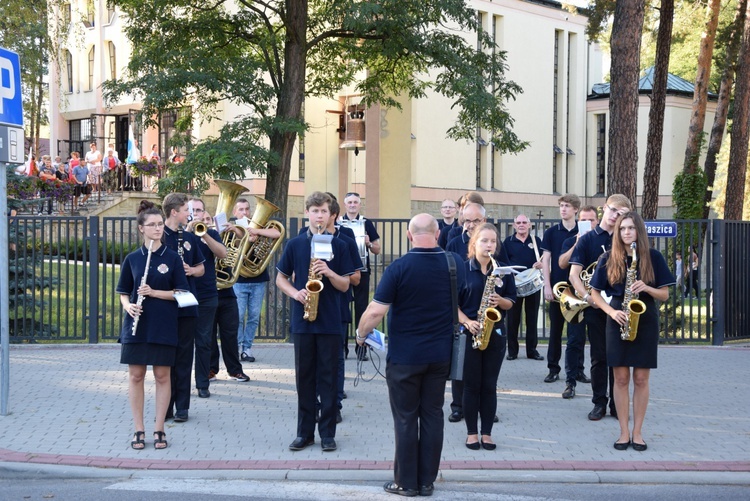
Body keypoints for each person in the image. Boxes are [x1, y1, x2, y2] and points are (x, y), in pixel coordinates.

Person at [357, 214, 466, 497]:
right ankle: (427, 481)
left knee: (406, 418)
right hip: (440, 356)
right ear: (438, 233)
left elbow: (376, 312)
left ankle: (406, 483)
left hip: (405, 357)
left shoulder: (399, 267)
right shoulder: (454, 264)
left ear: (408, 235)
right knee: (432, 414)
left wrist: (360, 335)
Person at [276, 191, 355, 452]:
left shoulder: (340, 245)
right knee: (305, 379)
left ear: (330, 214)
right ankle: (304, 433)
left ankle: (328, 434)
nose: (319, 216)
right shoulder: (295, 244)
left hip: (331, 320)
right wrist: (295, 292)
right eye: (314, 211)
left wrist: (330, 272)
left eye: (323, 211)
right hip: (303, 320)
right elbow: (281, 279)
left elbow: (345, 285)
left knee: (329, 379)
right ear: (307, 213)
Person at [589, 212, 674, 451]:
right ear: (618, 232)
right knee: (621, 378)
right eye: (623, 228)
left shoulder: (652, 257)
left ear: (639, 231)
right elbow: (595, 293)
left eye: (631, 228)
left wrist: (646, 286)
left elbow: (665, 294)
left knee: (641, 379)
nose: (627, 232)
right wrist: (610, 312)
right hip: (617, 317)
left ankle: (638, 432)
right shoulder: (608, 258)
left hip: (645, 318)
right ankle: (623, 432)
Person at [117, 201, 189, 450]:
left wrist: (155, 292)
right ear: (141, 229)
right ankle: (139, 429)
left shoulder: (171, 258)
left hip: (163, 324)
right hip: (136, 324)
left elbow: (181, 293)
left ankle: (159, 429)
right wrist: (128, 306)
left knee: (162, 376)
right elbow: (123, 291)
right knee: (136, 376)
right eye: (152, 225)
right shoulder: (133, 259)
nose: (158, 228)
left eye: (160, 224)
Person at [569, 194, 632, 421]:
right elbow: (574, 274)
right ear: (604, 208)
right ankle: (599, 403)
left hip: (619, 306)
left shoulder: (627, 238)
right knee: (598, 357)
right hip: (596, 306)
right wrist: (587, 297)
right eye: (613, 210)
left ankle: (618, 404)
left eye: (622, 214)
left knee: (619, 357)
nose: (616, 216)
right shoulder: (587, 239)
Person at [445, 202, 507, 423]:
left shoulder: (496, 249)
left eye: (476, 221)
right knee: (461, 369)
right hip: (465, 319)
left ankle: (485, 407)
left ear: (484, 220)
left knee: (485, 377)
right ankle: (458, 406)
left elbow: (506, 279)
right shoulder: (453, 242)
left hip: (490, 324)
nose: (470, 224)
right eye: (467, 220)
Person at [458, 223, 515, 451]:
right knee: (471, 386)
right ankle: (472, 433)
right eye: (484, 241)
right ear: (474, 243)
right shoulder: (463, 269)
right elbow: (452, 305)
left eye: (493, 241)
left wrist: (499, 302)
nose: (489, 245)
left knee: (489, 385)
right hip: (470, 332)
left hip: (496, 333)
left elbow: (511, 301)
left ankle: (488, 433)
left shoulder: (502, 270)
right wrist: (467, 321)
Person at [162, 193, 206, 423]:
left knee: (184, 356)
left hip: (187, 304)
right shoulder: (158, 237)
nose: (189, 213)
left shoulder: (189, 237)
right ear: (174, 212)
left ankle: (182, 407)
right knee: (166, 358)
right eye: (185, 209)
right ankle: (165, 406)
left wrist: (190, 270)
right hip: (166, 306)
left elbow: (202, 270)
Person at [188, 198, 229, 398]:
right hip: (183, 294)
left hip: (206, 295)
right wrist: (188, 232)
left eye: (200, 211)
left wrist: (204, 234)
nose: (196, 214)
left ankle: (202, 384)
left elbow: (223, 253)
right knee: (184, 342)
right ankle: (179, 383)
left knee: (204, 341)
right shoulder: (180, 235)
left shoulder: (210, 233)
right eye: (193, 210)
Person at [557, 205, 599, 399]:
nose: (587, 224)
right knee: (574, 341)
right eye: (583, 220)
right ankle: (570, 382)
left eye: (591, 220)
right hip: (577, 297)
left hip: (599, 299)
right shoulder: (570, 240)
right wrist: (577, 244)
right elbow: (562, 264)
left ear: (597, 221)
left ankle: (599, 389)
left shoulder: (604, 242)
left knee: (600, 344)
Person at [233, 198, 282, 362]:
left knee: (253, 316)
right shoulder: (233, 229)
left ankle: (247, 348)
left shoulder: (260, 226)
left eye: (247, 209)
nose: (245, 212)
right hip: (239, 280)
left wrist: (257, 232)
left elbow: (278, 232)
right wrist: (246, 239)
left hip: (258, 278)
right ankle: (237, 346)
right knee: (239, 316)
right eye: (241, 209)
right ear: (235, 212)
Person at [540, 194, 581, 383]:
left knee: (577, 333)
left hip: (578, 289)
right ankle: (553, 368)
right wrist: (547, 286)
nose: (563, 209)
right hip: (557, 288)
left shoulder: (584, 230)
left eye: (567, 206)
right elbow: (546, 261)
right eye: (561, 206)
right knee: (556, 330)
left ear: (575, 210)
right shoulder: (551, 233)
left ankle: (577, 369)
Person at [340, 191, 381, 362]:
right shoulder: (337, 223)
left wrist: (369, 243)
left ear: (359, 204)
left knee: (362, 310)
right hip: (342, 272)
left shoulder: (366, 223)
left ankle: (361, 348)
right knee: (342, 310)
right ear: (345, 204)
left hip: (362, 271)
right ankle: (341, 349)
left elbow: (377, 249)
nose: (352, 205)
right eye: (349, 202)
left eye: (355, 202)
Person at [503, 214, 544, 361]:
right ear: (514, 225)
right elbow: (503, 261)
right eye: (518, 222)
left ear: (529, 224)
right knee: (513, 319)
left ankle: (532, 351)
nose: (521, 225)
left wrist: (541, 264)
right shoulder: (508, 242)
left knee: (532, 318)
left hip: (532, 284)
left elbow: (544, 259)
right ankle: (512, 351)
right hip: (514, 285)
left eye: (524, 222)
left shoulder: (536, 240)